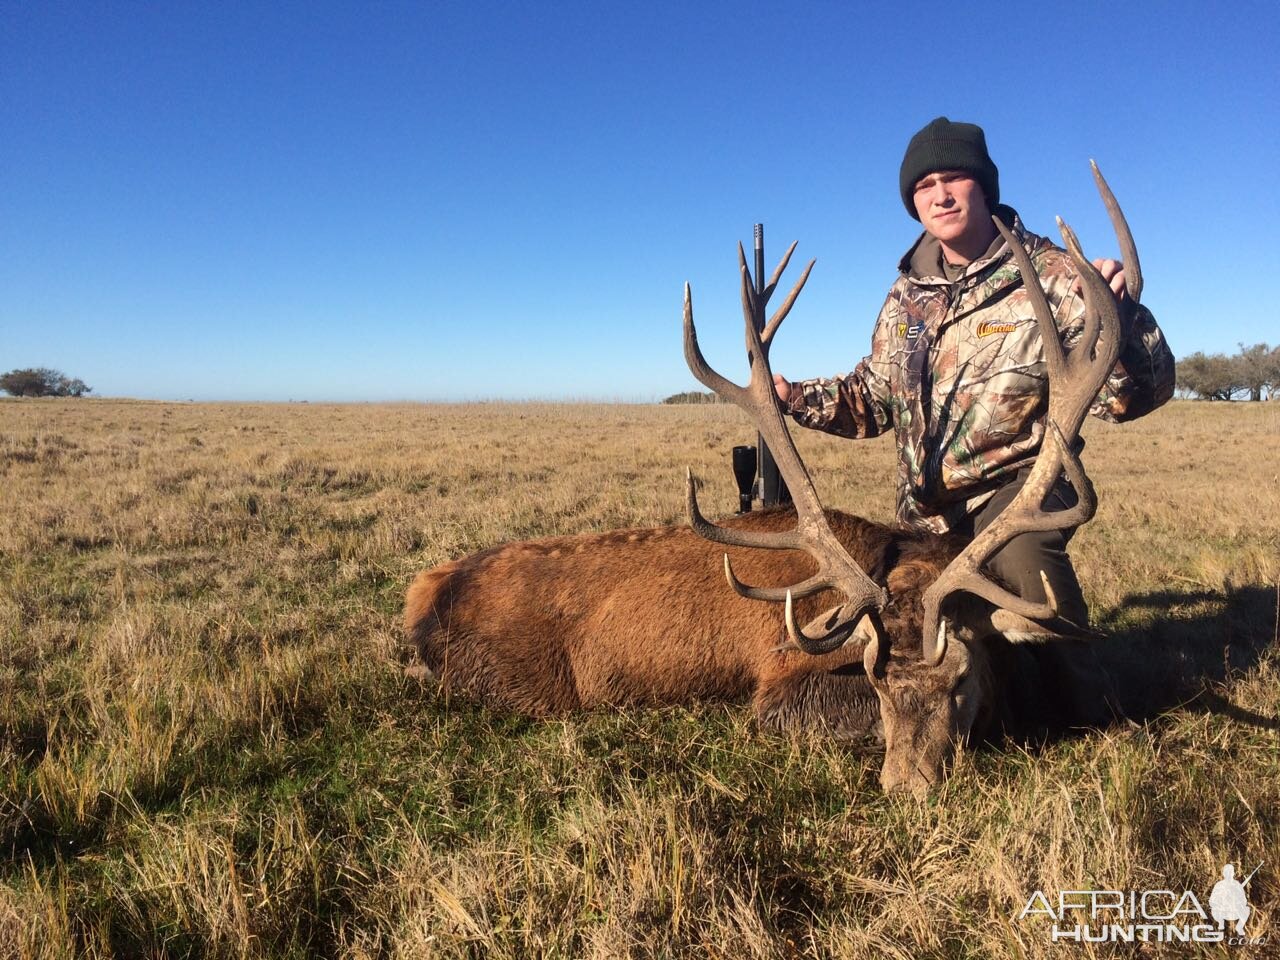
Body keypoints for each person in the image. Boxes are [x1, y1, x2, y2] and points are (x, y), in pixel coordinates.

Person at [774, 117, 1175, 632]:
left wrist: (1122, 319)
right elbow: (874, 396)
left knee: (1024, 565)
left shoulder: (1055, 276)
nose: (938, 195)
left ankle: (1082, 694)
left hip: (1019, 495)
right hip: (925, 518)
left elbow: (1133, 398)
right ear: (913, 202)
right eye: (923, 186)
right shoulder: (904, 296)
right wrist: (794, 397)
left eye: (952, 179)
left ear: (983, 186)